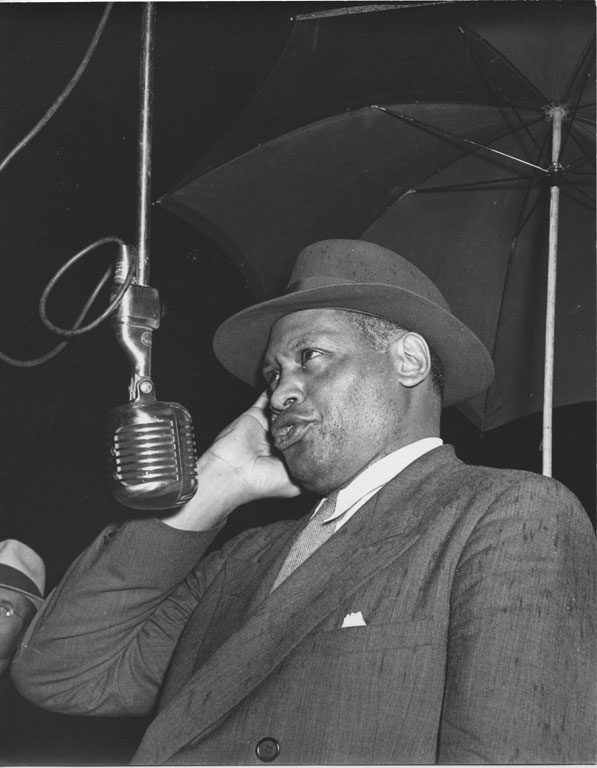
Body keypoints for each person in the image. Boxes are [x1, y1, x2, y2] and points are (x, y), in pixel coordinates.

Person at [11, 240, 596, 764]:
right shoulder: (243, 559)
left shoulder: (505, 513)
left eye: (311, 356)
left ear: (409, 361)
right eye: (272, 375)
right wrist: (214, 484)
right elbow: (62, 673)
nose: (279, 394)